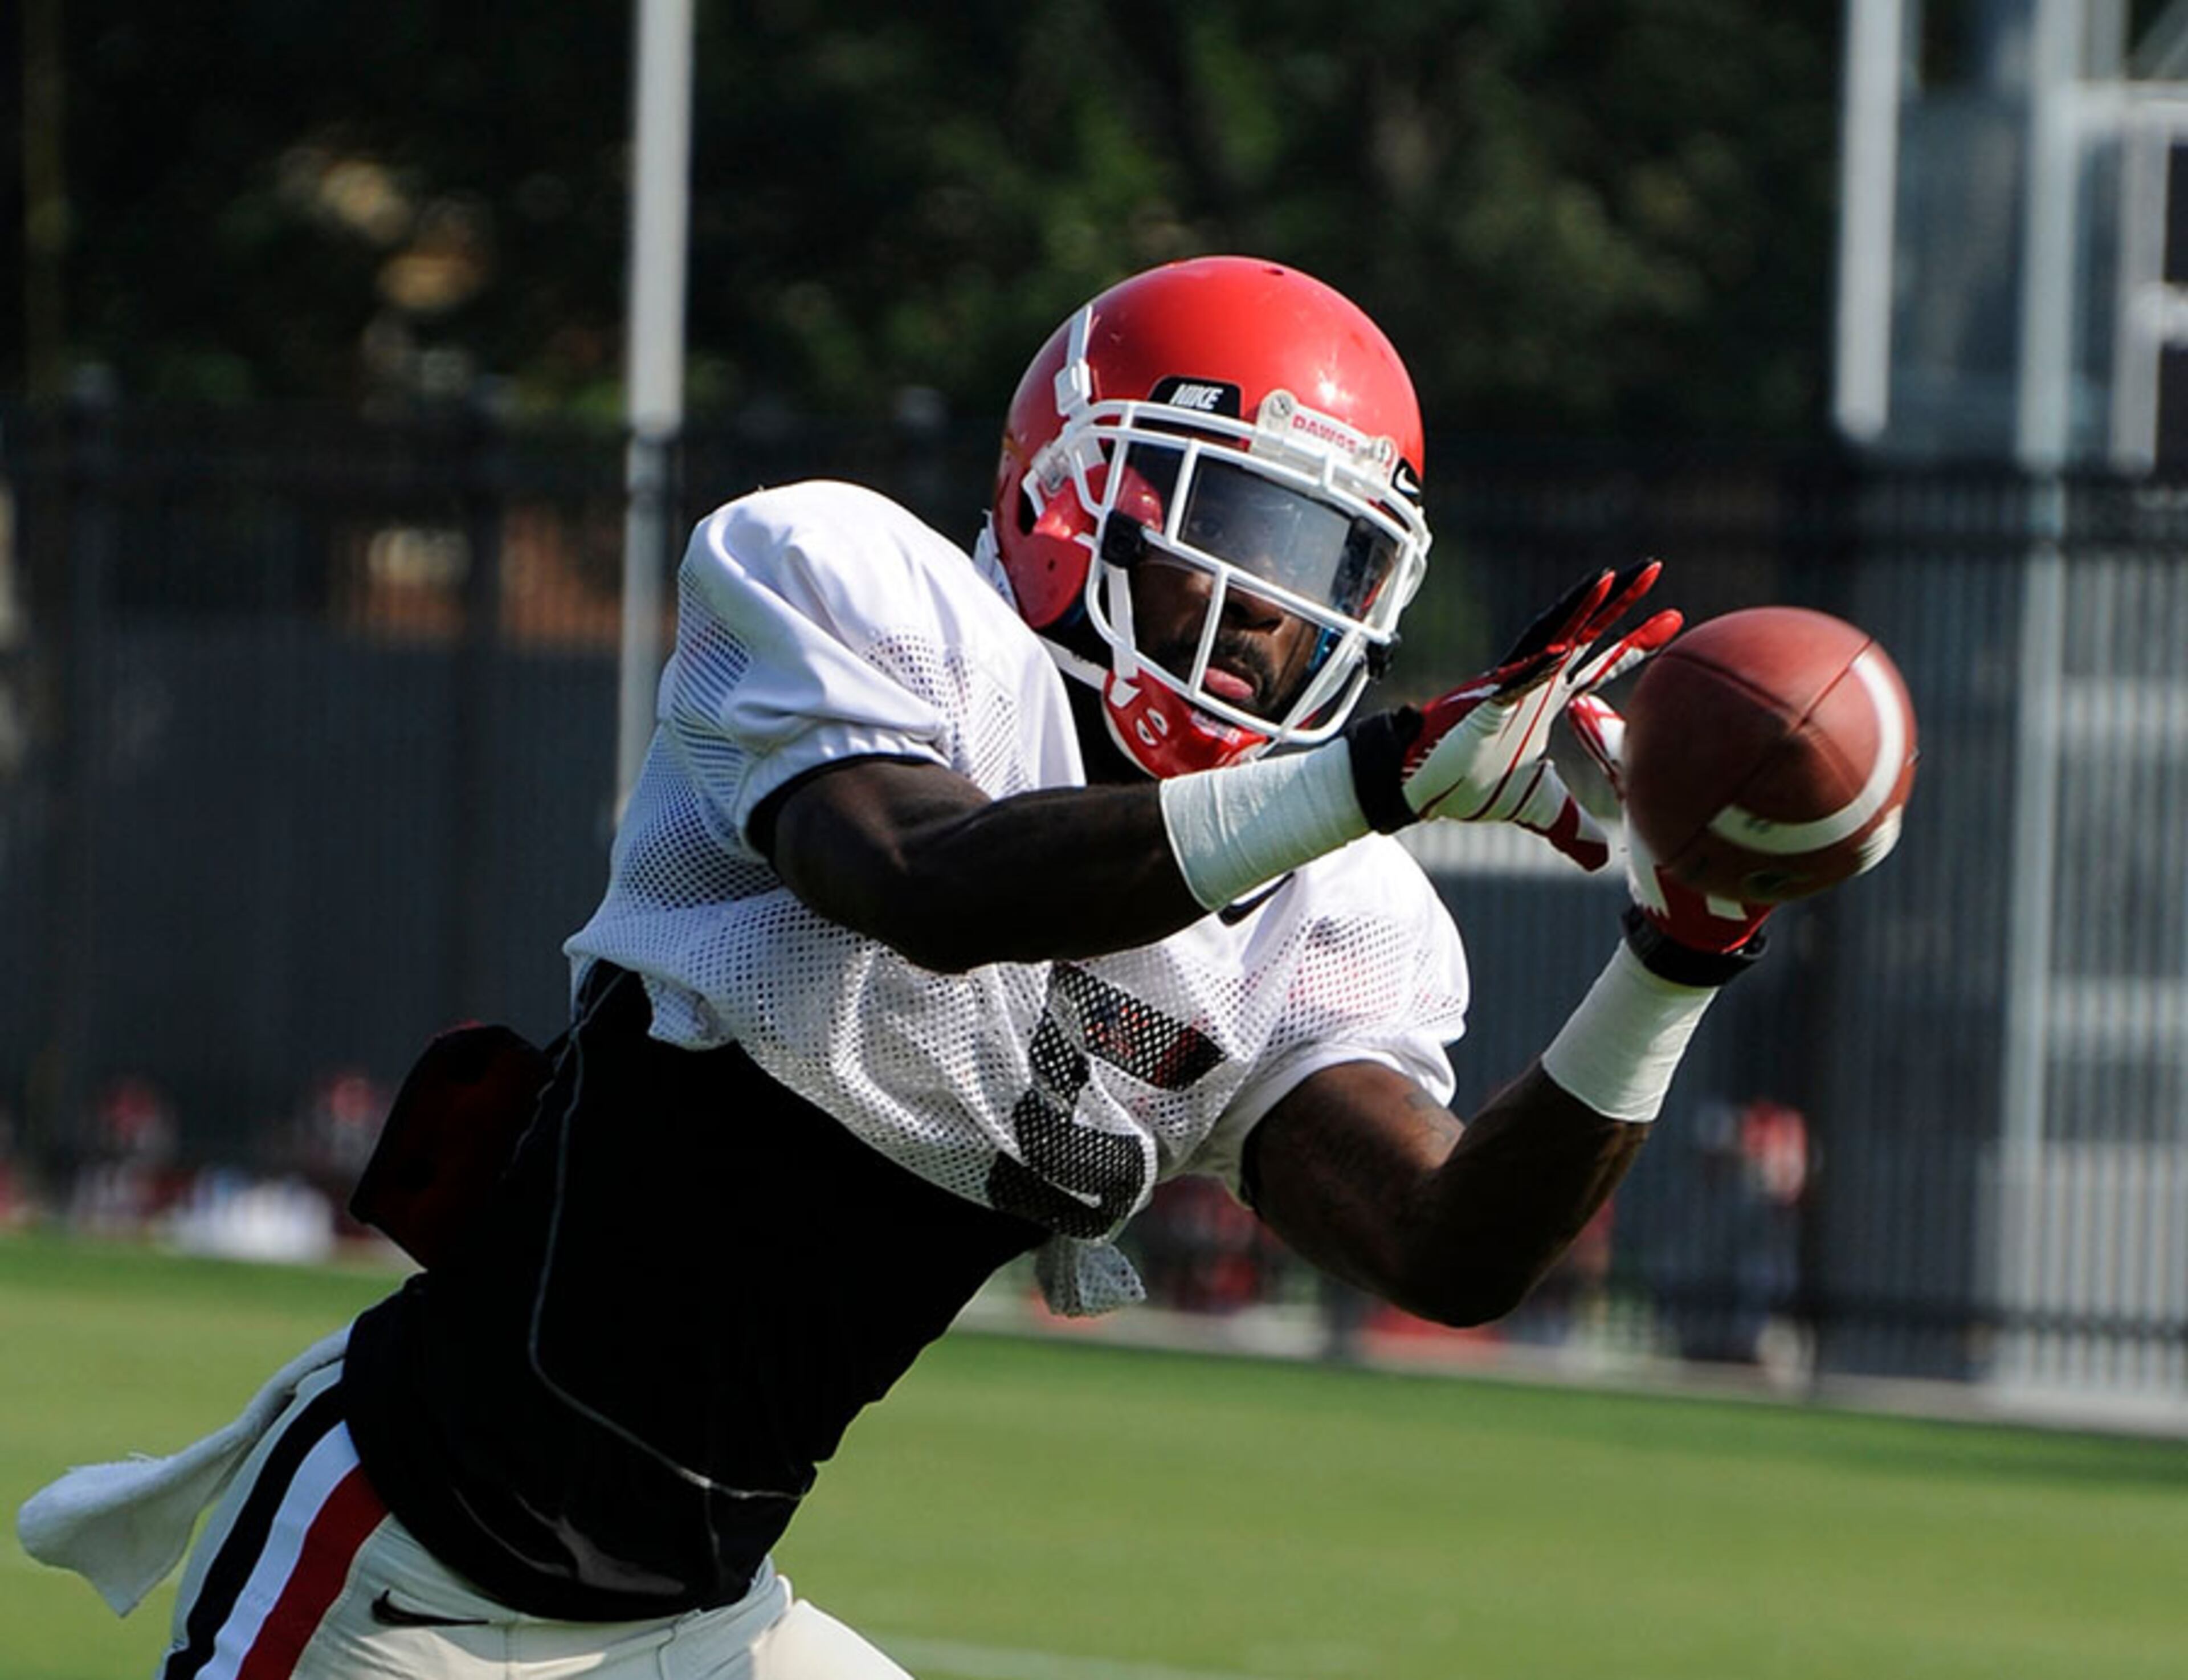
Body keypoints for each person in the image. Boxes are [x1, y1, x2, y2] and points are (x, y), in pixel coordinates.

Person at [22, 255, 1778, 1678]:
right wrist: (1366, 775)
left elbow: (1449, 1243)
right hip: (404, 1574)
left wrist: (1677, 949)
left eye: (1321, 567)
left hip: (695, 1627)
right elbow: (921, 879)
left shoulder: (1336, 912)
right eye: (1227, 529)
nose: (1270, 609)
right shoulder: (856, 590)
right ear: (1070, 498)